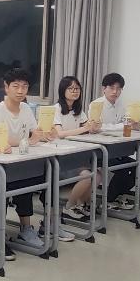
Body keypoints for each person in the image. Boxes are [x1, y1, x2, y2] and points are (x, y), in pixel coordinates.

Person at [0, 68, 72, 245]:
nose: (20, 91)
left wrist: (46, 134)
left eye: (25, 86)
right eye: (16, 86)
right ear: (6, 87)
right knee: (23, 182)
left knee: (50, 176)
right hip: (3, 164)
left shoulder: (26, 108)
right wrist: (28, 140)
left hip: (24, 159)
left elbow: (36, 132)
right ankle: (22, 228)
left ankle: (49, 224)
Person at [91, 72, 140, 211]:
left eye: (119, 88)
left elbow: (127, 122)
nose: (115, 92)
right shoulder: (96, 105)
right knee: (123, 170)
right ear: (104, 88)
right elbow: (99, 128)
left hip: (117, 149)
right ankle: (108, 200)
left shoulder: (121, 104)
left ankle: (116, 197)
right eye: (112, 88)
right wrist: (123, 125)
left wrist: (135, 124)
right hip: (101, 150)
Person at [54, 76, 101, 223]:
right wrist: (84, 129)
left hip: (75, 155)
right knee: (86, 176)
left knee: (98, 175)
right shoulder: (56, 109)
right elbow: (60, 134)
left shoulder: (78, 110)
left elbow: (88, 128)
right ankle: (68, 207)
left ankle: (80, 205)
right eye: (71, 88)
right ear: (63, 91)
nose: (75, 91)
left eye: (77, 88)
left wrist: (94, 127)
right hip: (60, 158)